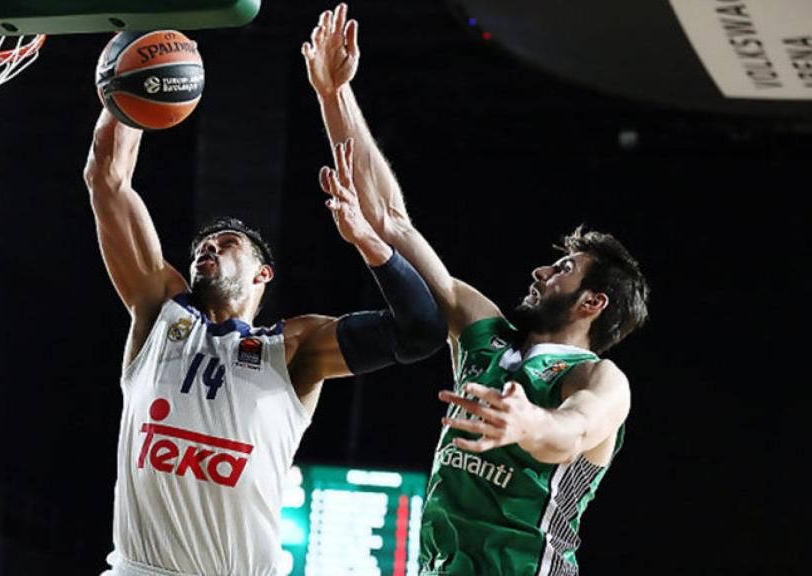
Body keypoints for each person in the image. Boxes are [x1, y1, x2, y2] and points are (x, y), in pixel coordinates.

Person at [303, 5, 651, 574]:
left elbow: (574, 430)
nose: (542, 273)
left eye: (563, 267)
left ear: (594, 303)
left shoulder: (597, 379)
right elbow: (390, 218)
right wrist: (333, 94)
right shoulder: (482, 330)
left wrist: (528, 424)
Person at [83, 108, 447, 575]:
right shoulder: (159, 312)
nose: (208, 248)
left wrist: (369, 243)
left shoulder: (294, 348)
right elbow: (106, 179)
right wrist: (128, 90)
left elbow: (420, 331)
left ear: (263, 274)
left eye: (226, 241)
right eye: (202, 246)